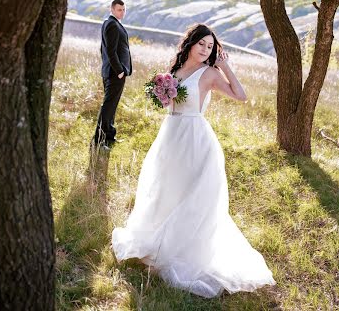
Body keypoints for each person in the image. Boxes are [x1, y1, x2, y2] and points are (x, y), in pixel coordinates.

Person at [112, 24, 275, 297]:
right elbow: (168, 105)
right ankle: (160, 244)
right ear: (190, 43)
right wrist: (161, 93)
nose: (205, 49)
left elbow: (241, 96)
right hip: (170, 136)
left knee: (192, 197)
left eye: (210, 47)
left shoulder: (209, 73)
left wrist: (225, 66)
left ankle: (186, 252)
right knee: (166, 191)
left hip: (196, 140)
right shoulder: (174, 70)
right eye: (202, 44)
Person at [93, 0, 132, 148]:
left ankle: (109, 136)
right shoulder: (112, 24)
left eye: (123, 9)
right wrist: (120, 70)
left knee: (112, 105)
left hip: (112, 72)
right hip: (115, 73)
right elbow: (109, 51)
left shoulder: (112, 23)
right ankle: (99, 140)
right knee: (108, 107)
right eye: (119, 10)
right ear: (112, 9)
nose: (122, 12)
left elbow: (103, 49)